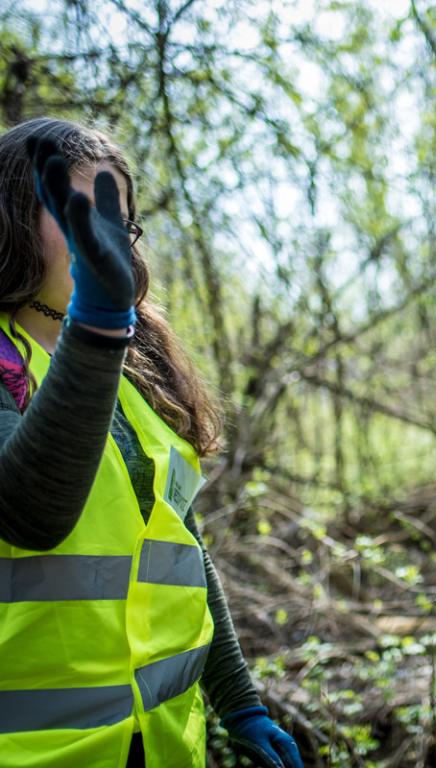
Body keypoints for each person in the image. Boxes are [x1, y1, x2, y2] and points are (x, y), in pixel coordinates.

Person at [0, 118, 303, 768]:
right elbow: (30, 512)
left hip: (165, 744)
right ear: (14, 220)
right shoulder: (14, 359)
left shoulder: (138, 367)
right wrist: (100, 324)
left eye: (120, 220)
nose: (107, 238)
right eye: (80, 212)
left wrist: (240, 701)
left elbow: (179, 545)